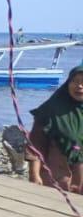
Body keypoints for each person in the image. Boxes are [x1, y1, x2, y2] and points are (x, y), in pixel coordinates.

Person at [27, 65, 83, 193]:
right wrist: (34, 174)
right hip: (55, 182)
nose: (80, 86)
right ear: (68, 83)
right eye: (75, 81)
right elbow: (36, 145)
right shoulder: (50, 110)